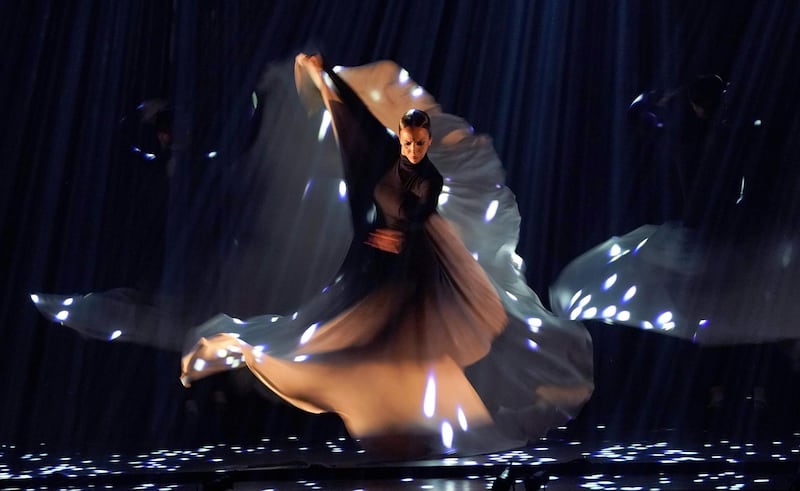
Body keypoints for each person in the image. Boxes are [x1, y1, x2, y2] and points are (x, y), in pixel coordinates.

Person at [33, 53, 593, 457]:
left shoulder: (414, 177)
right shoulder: (382, 168)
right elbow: (366, 175)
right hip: (385, 258)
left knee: (408, 332)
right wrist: (326, 90)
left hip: (412, 258)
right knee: (349, 333)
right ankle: (390, 410)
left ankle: (418, 415)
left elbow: (407, 205)